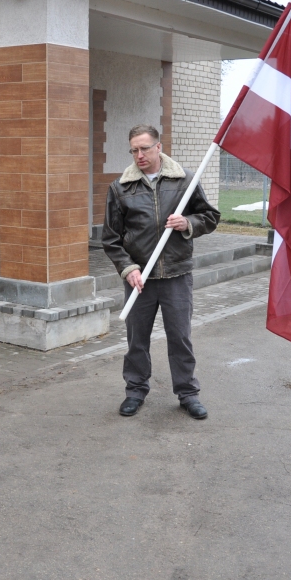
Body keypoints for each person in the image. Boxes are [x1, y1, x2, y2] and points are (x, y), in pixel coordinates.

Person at [102, 124, 220, 420]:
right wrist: (127, 268)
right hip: (139, 279)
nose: (139, 155)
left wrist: (189, 223)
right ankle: (135, 391)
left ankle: (188, 393)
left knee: (180, 338)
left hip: (176, 275)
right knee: (136, 341)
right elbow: (111, 239)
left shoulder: (185, 180)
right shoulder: (120, 188)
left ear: (158, 147)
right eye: (134, 150)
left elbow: (210, 216)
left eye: (144, 148)